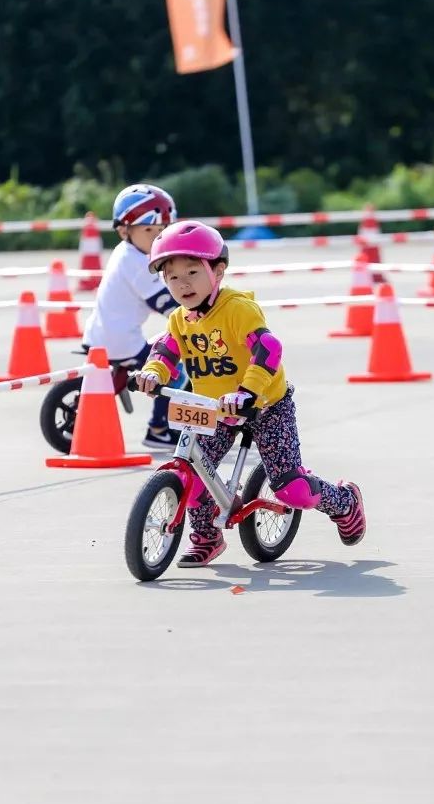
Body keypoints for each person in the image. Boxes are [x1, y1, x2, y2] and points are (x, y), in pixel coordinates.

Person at [135, 221, 366, 567]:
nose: (182, 284)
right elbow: (166, 351)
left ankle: (344, 501)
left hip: (265, 405)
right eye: (172, 277)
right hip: (213, 408)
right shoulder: (179, 319)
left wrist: (247, 392)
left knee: (292, 489)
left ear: (218, 271)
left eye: (192, 272)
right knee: (195, 468)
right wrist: (153, 374)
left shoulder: (237, 309)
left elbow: (268, 350)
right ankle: (207, 537)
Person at [81, 183, 183, 449]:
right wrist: (193, 314)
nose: (155, 236)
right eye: (148, 230)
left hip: (101, 333)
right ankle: (159, 430)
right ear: (124, 230)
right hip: (121, 340)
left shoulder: (125, 252)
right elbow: (164, 302)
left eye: (161, 230)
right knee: (173, 367)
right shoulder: (138, 263)